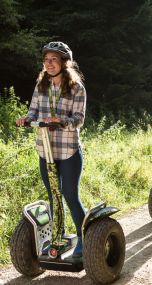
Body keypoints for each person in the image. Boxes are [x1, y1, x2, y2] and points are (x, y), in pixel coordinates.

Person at [16, 41, 86, 258]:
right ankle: (59, 236)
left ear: (64, 63)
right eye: (46, 60)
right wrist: (26, 119)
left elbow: (79, 119)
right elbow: (33, 111)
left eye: (54, 59)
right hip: (45, 150)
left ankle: (84, 239)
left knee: (69, 195)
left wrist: (61, 120)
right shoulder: (41, 85)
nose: (49, 63)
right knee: (53, 195)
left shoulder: (76, 88)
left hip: (68, 151)